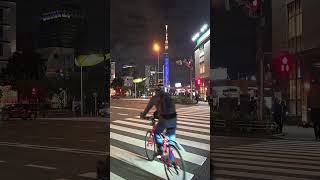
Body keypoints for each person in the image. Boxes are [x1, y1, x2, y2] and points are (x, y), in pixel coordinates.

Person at [140, 84, 177, 157]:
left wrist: (143, 116)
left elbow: (147, 109)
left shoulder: (154, 98)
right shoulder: (168, 95)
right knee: (171, 137)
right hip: (173, 118)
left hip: (164, 119)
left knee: (156, 132)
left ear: (155, 91)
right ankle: (172, 160)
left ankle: (160, 150)